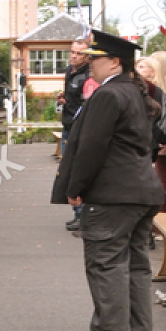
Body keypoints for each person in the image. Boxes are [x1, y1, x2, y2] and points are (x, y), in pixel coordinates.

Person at [51, 30, 165, 331]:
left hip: (113, 194)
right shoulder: (135, 93)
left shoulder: (108, 95)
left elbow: (92, 147)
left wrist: (76, 186)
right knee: (136, 264)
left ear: (114, 61)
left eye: (95, 59)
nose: (89, 65)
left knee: (106, 264)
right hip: (143, 190)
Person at [136, 54, 166, 213]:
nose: (138, 69)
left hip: (164, 141)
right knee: (162, 184)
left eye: (143, 66)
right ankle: (164, 222)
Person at [57, 35, 94, 232]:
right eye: (72, 52)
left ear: (87, 56)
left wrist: (69, 102)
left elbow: (86, 103)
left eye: (79, 53)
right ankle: (77, 213)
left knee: (77, 171)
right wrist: (64, 98)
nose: (74, 56)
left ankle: (83, 215)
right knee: (68, 170)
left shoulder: (89, 75)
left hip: (79, 127)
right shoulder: (69, 71)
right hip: (68, 125)